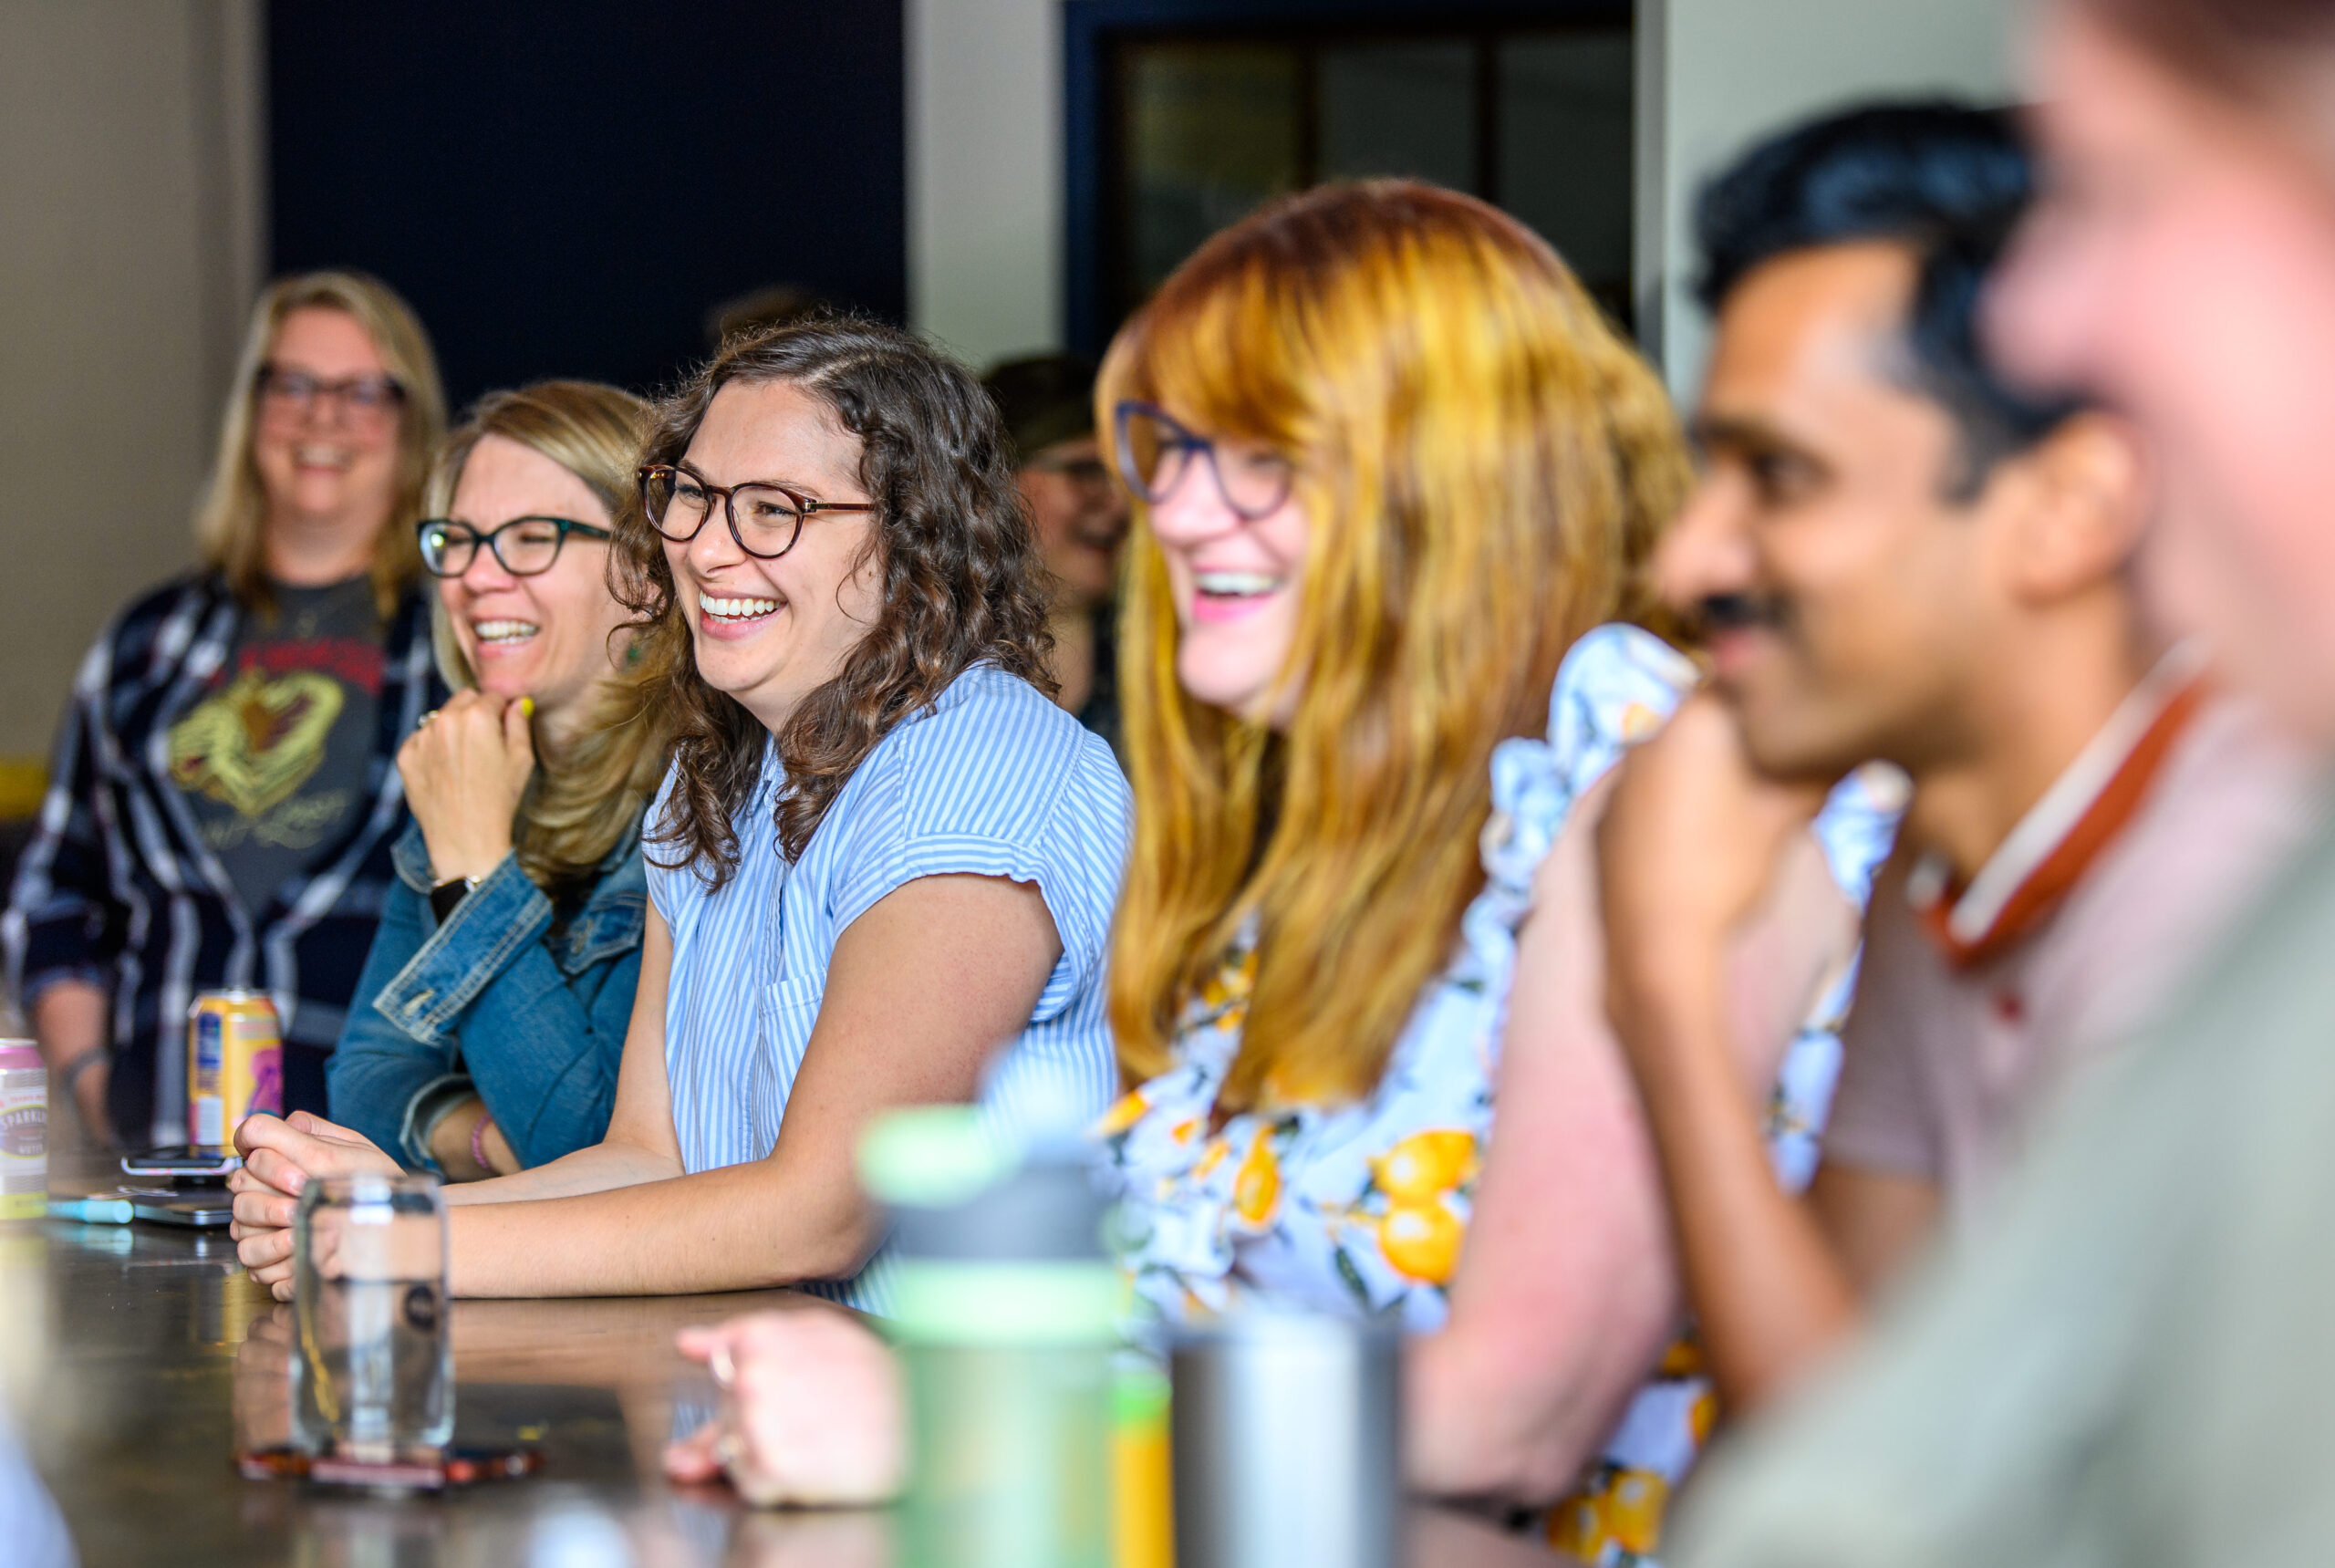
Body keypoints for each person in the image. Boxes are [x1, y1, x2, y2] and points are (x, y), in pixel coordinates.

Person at [661, 184, 1894, 1552]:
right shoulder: (1357, 827)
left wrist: (959, 1423)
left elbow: (1517, 1411)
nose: (1179, 507)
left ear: (1457, 470)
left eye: (1261, 454)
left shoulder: (1647, 778)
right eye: (1169, 448)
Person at [1667, 3, 2335, 1564]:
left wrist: (1659, 983)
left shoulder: (2238, 877)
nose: (1686, 559)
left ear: (2065, 511)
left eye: (2128, 195)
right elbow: (1870, 1442)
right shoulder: (1952, 853)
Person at [227, 318, 1132, 1307]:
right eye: (691, 498)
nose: (705, 548)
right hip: (774, 1404)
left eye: (773, 510)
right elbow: (648, 1157)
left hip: (985, 1431)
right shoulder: (715, 777)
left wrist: (405, 1241)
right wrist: (381, 1215)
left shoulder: (978, 766)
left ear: (911, 541)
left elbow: (822, 1211)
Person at [3, 271, 447, 1149]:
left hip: (376, 1180)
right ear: (254, 412)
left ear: (412, 426)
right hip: (162, 1169)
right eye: (294, 385)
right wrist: (95, 1080)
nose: (324, 418)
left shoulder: (460, 643)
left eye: (363, 391)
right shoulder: (149, 644)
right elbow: (53, 892)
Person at [326, 381, 672, 1178]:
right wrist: (484, 1138)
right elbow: (365, 1082)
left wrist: (476, 861)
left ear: (648, 572)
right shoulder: (473, 770)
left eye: (530, 537)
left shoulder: (697, 801)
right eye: (460, 540)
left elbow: (591, 1156)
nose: (477, 578)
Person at [982, 355, 1130, 753]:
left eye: (1126, 478)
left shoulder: (1165, 667)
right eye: (1085, 472)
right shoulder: (920, 668)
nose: (1119, 506)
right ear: (994, 482)